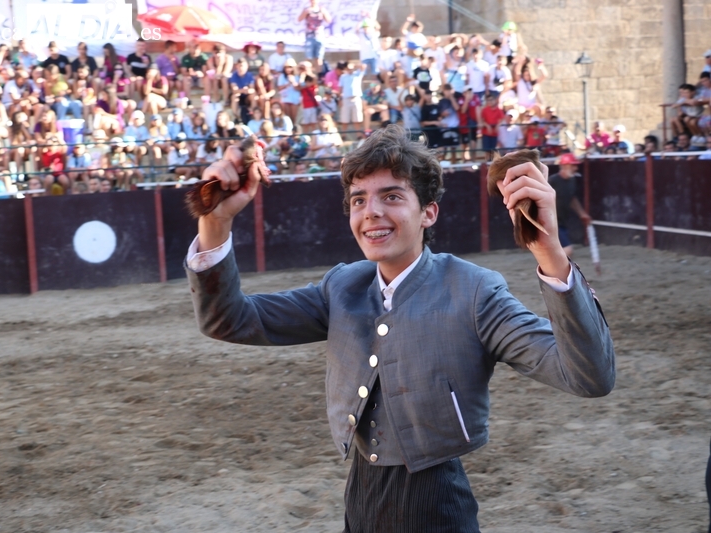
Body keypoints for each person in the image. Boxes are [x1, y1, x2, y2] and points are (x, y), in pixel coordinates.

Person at [185, 124, 615, 532]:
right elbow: (228, 319)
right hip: (360, 499)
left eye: (391, 197)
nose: (371, 212)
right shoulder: (342, 287)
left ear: (428, 213)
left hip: (436, 509)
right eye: (359, 200)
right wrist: (216, 222)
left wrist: (549, 252)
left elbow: (588, 376)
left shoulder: (475, 291)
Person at [549, 152, 590, 258]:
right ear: (564, 166)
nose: (576, 168)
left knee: (561, 251)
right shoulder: (553, 181)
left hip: (562, 221)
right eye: (573, 165)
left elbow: (572, 198)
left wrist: (582, 213)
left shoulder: (572, 180)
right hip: (551, 222)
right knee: (567, 250)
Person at [297, 0, 331, 73]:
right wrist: (305, 13)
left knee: (318, 58)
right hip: (310, 36)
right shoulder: (307, 9)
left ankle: (319, 76)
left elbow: (329, 20)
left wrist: (323, 12)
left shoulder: (321, 9)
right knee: (308, 57)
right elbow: (299, 19)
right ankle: (307, 75)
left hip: (319, 36)